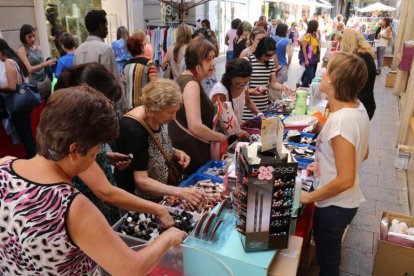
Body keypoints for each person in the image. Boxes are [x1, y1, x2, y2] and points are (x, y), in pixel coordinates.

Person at [0, 86, 187, 275]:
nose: (97, 155)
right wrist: (168, 238)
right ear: (74, 150)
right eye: (96, 150)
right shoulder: (73, 207)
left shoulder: (4, 166)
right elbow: (131, 269)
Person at [301, 52, 369, 276]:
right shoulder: (356, 108)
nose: (323, 73)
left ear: (334, 80)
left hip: (334, 206)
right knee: (328, 256)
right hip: (340, 204)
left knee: (329, 265)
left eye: (327, 70)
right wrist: (323, 162)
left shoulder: (341, 120)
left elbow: (346, 179)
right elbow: (364, 152)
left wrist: (309, 197)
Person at [115, 79, 204, 204]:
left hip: (160, 196)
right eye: (170, 113)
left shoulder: (154, 116)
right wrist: (180, 192)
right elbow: (141, 181)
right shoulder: (133, 129)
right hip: (141, 201)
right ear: (155, 108)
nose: (173, 117)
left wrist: (175, 151)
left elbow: (152, 145)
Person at [169, 36, 226, 175]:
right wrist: (220, 137)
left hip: (188, 148)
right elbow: (195, 126)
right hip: (192, 152)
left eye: (213, 58)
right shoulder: (192, 84)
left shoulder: (184, 79)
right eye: (208, 59)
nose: (213, 63)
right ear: (196, 60)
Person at [0, 38, 36, 158]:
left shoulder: (9, 62)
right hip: (23, 101)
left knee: (25, 135)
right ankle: (33, 156)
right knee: (27, 133)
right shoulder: (14, 59)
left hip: (17, 104)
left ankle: (32, 158)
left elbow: (11, 86)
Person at [243, 36, 293, 121]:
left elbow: (273, 83)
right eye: (268, 55)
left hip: (263, 109)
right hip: (248, 110)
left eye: (272, 54)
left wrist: (284, 88)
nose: (270, 57)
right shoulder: (248, 61)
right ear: (260, 51)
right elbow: (242, 89)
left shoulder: (270, 63)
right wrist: (253, 91)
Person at [210, 58, 258, 140]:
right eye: (237, 83)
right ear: (230, 77)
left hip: (235, 133)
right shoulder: (221, 92)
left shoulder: (243, 86)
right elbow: (218, 119)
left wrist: (260, 115)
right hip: (221, 137)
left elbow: (248, 102)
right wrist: (237, 131)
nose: (242, 86)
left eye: (245, 82)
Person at [340, 29, 376, 120]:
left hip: (359, 105)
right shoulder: (367, 55)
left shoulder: (357, 60)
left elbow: (347, 85)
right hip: (367, 103)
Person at [74, 10, 118, 78]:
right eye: (106, 25)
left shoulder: (78, 51)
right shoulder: (105, 49)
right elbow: (113, 78)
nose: (107, 28)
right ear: (101, 26)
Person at [17, 24, 56, 100]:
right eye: (29, 36)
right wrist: (46, 63)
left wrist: (50, 63)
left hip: (46, 80)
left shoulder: (38, 47)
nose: (33, 39)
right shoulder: (22, 50)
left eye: (34, 36)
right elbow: (30, 69)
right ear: (23, 37)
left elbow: (43, 66)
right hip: (35, 84)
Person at [123, 34, 157, 110]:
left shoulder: (126, 65)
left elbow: (124, 86)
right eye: (144, 45)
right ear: (141, 48)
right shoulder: (149, 63)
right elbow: (155, 84)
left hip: (129, 106)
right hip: (144, 106)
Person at [300, 19, 320, 87]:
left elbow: (317, 44)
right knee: (310, 76)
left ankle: (302, 81)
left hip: (313, 58)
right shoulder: (307, 35)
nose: (318, 27)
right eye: (317, 25)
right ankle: (302, 87)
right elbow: (303, 47)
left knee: (310, 73)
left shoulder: (315, 34)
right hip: (308, 57)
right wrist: (306, 59)